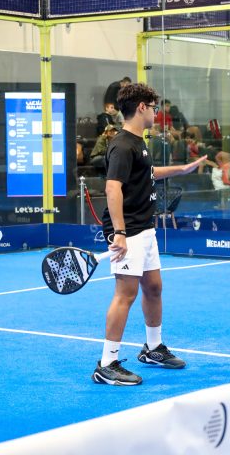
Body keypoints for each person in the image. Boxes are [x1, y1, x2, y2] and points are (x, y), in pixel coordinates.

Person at [94, 82, 206, 386]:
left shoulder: (138, 142)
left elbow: (147, 174)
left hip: (144, 227)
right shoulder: (122, 145)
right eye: (154, 107)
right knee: (125, 294)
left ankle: (153, 348)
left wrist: (182, 169)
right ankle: (107, 364)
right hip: (128, 230)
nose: (156, 113)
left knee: (154, 287)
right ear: (141, 107)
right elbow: (112, 188)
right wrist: (119, 232)